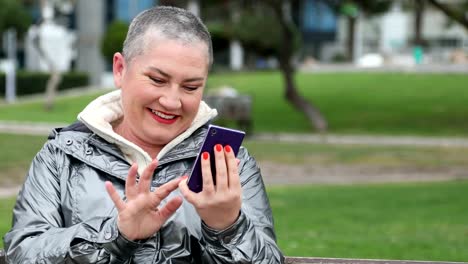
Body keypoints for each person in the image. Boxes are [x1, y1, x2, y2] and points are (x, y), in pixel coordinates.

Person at [3, 5, 284, 263]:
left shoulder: (226, 163)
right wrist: (117, 234)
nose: (172, 101)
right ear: (120, 69)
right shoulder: (61, 158)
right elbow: (23, 253)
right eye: (158, 80)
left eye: (190, 87)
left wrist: (227, 227)